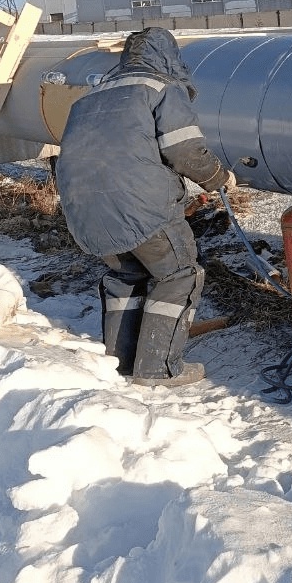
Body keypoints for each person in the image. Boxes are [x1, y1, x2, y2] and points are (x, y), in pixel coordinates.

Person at [56, 27, 236, 387]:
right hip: (141, 206)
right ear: (169, 58)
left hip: (84, 209)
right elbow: (185, 150)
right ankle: (158, 370)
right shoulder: (160, 88)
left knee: (127, 276)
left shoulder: (90, 96)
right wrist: (219, 178)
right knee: (179, 274)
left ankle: (120, 363)